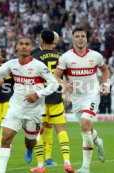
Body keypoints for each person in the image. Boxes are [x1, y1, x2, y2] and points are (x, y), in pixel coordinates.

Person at [0, 36, 59, 173]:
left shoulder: (39, 66)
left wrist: (37, 94)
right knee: (5, 139)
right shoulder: (11, 64)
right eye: (21, 44)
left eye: (27, 44)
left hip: (34, 112)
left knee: (29, 142)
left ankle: (29, 149)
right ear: (16, 47)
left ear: (31, 48)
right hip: (16, 109)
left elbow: (55, 84)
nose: (24, 46)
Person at [54, 27, 110, 173]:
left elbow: (104, 70)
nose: (80, 38)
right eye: (77, 36)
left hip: (92, 94)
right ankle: (98, 141)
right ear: (73, 39)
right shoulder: (66, 57)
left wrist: (106, 85)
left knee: (85, 125)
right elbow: (55, 76)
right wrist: (65, 85)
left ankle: (86, 167)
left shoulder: (95, 56)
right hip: (76, 98)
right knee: (87, 128)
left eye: (83, 36)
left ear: (86, 39)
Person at [31, 29, 74, 173]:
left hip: (40, 99)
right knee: (61, 130)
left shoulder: (34, 57)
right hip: (56, 97)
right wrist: (67, 94)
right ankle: (67, 162)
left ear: (41, 40)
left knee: (37, 131)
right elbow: (66, 78)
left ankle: (40, 165)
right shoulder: (61, 57)